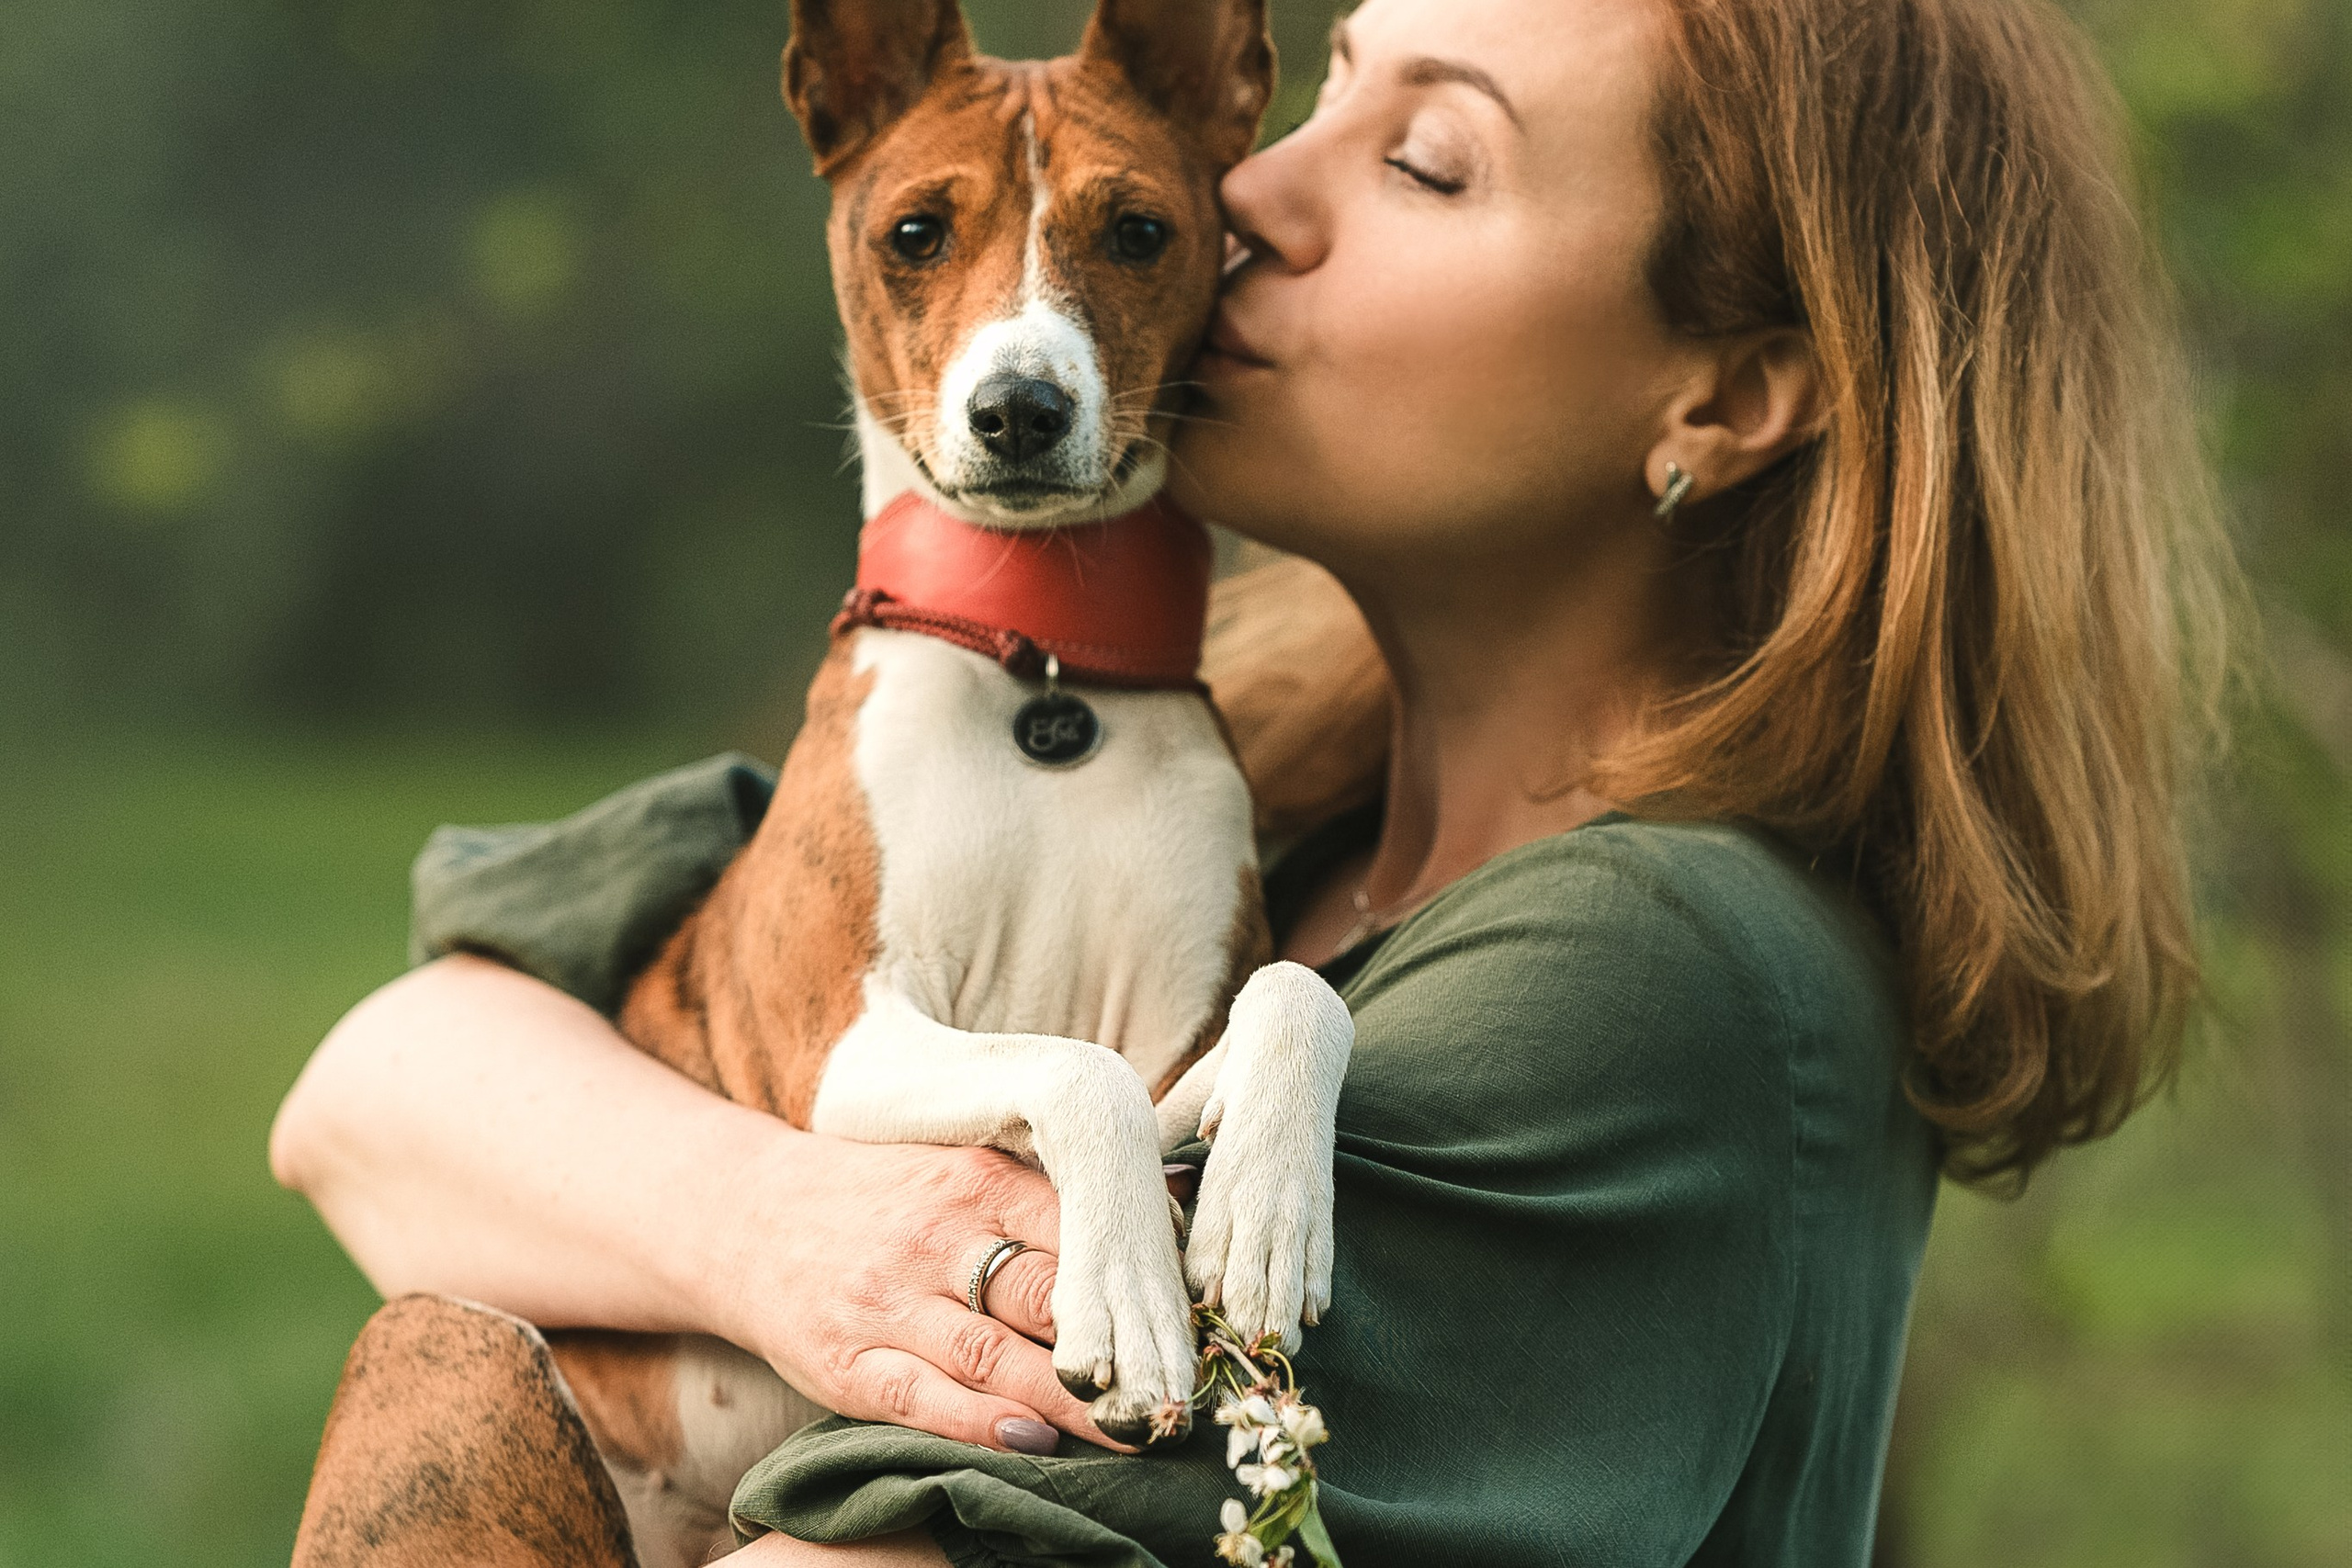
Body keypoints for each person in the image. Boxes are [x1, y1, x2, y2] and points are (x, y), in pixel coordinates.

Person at [269, 0, 2240, 1562]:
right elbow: (373, 1087)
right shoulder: (1224, 776)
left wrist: (660, 1203)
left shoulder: (1653, 973)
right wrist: (781, 1231)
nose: (1248, 201)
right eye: (1318, 94)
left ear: (1717, 394)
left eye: (1426, 160)